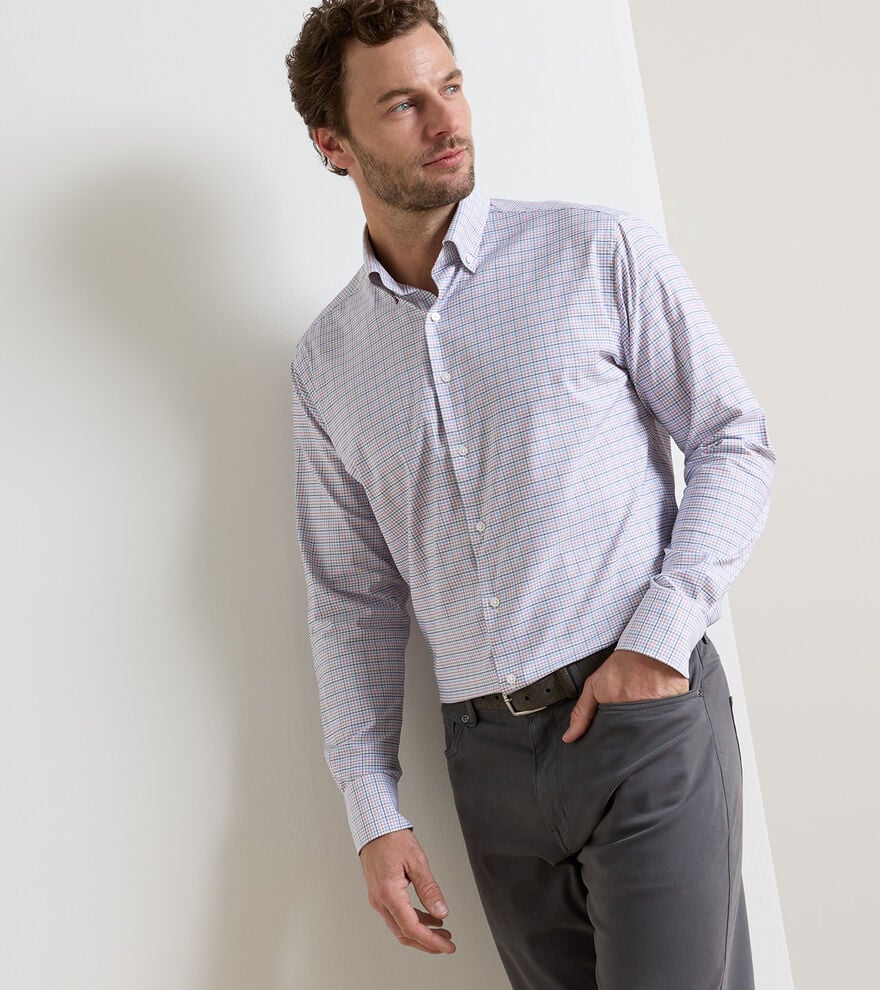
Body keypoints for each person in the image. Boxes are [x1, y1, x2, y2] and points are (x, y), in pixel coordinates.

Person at [285, 2, 774, 987]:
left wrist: (656, 644)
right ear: (333, 144)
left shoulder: (597, 251)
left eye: (451, 86)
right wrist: (373, 810)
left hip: (641, 719)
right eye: (403, 105)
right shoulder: (327, 363)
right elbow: (353, 600)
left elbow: (735, 439)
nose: (446, 121)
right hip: (488, 765)